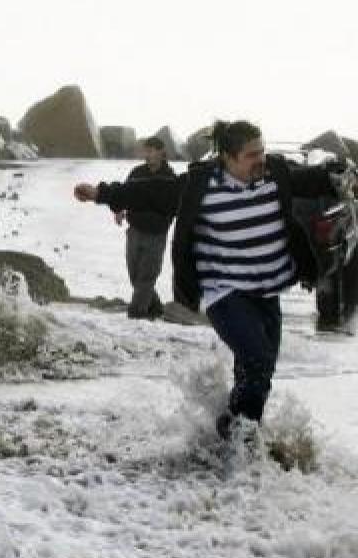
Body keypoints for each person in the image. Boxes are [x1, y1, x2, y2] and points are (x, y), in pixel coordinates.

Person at [73, 120, 344, 440]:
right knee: (257, 359)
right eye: (251, 155)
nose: (261, 160)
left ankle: (235, 433)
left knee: (259, 373)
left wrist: (337, 177)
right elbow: (154, 192)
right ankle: (238, 438)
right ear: (227, 157)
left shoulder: (274, 173)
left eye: (262, 151)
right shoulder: (201, 184)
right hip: (225, 293)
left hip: (268, 293)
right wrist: (102, 193)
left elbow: (312, 180)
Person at [113, 136, 176, 319]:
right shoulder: (137, 173)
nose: (146, 155)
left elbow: (176, 205)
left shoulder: (170, 178)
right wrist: (119, 210)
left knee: (147, 277)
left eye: (150, 151)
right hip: (134, 230)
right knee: (134, 275)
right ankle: (155, 308)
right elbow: (124, 193)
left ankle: (136, 314)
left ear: (161, 153)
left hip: (156, 234)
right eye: (145, 151)